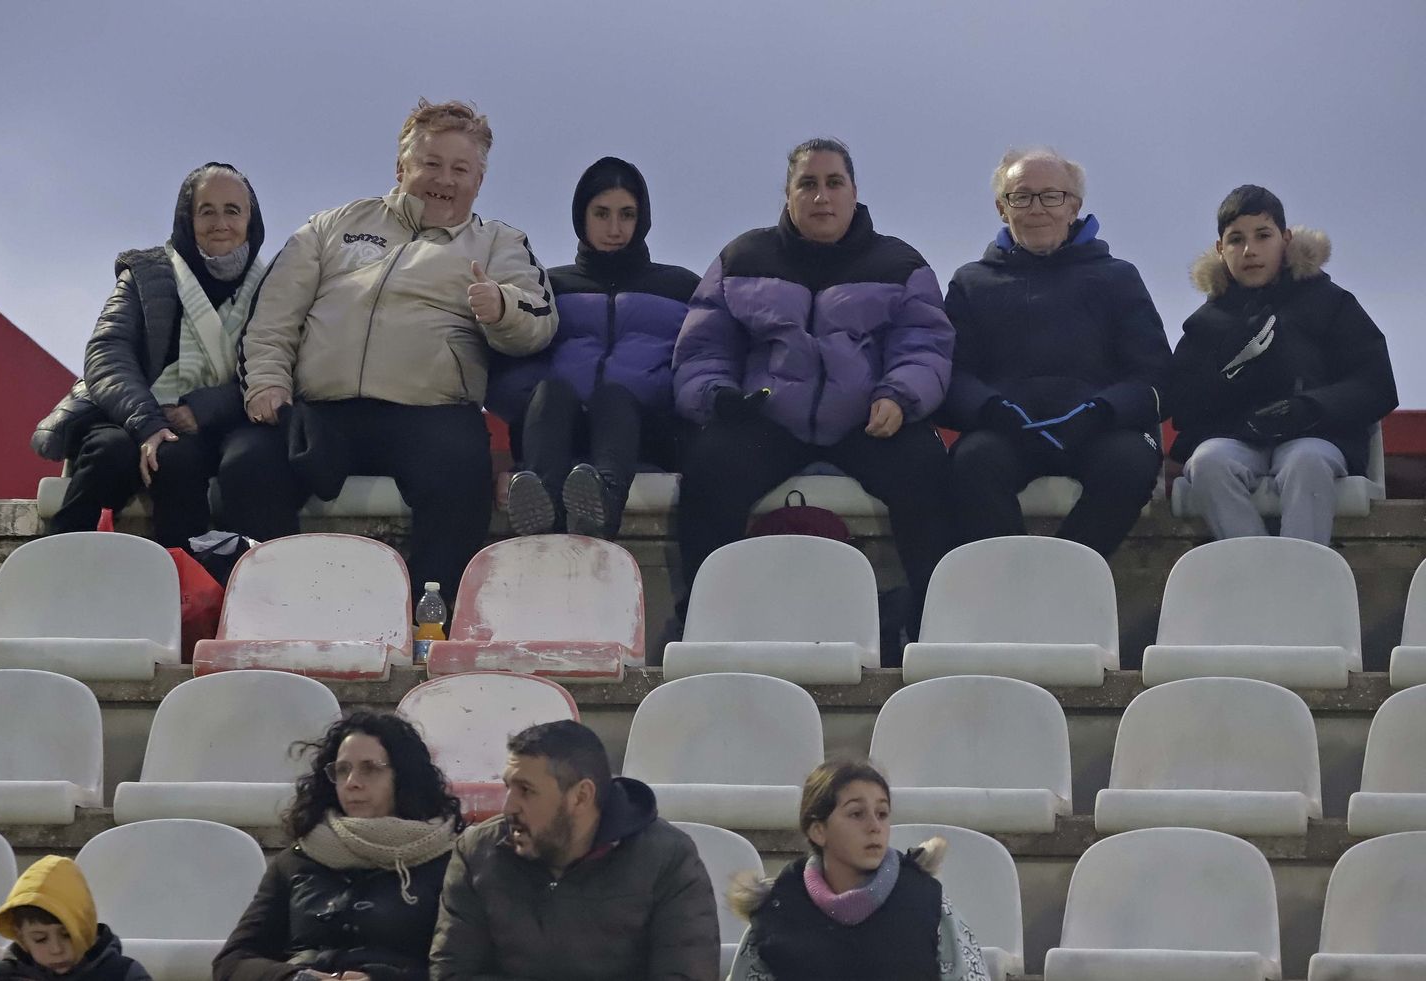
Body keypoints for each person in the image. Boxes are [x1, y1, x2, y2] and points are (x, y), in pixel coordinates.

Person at [224, 99, 557, 604]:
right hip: (322, 410)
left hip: (432, 413)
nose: (444, 180)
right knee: (246, 464)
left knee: (462, 475)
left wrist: (502, 306)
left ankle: (428, 625)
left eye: (460, 169)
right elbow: (272, 316)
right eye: (432, 164)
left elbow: (540, 319)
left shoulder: (498, 242)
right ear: (402, 167)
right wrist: (267, 383)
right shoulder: (331, 226)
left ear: (479, 181)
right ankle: (279, 609)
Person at [671, 138, 954, 647]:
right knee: (709, 468)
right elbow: (704, 345)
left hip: (868, 420)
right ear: (788, 195)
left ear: (853, 192)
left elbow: (925, 344)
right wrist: (717, 395)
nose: (821, 196)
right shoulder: (742, 258)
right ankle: (705, 623)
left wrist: (899, 395)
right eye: (808, 184)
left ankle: (932, 627)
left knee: (927, 469)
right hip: (768, 418)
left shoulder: (900, 263)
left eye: (833, 183)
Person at [941, 147, 1172, 558]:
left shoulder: (1118, 278)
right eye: (1021, 196)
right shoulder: (971, 283)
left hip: (1098, 432)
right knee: (971, 462)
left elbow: (1154, 374)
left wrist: (1101, 411)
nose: (1037, 208)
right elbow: (954, 375)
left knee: (1131, 464)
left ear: (1074, 207)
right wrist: (993, 410)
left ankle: (1064, 575)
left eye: (1051, 196)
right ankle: (1014, 578)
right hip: (1006, 432)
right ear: (1002, 209)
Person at [41, 162, 270, 547]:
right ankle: (53, 560)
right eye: (206, 211)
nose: (220, 223)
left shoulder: (273, 286)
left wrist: (202, 410)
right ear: (187, 219)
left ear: (251, 221)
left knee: (178, 461)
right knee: (108, 452)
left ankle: (183, 574)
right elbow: (107, 352)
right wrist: (147, 423)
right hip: (131, 415)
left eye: (232, 210)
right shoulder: (145, 272)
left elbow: (280, 366)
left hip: (217, 425)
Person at [1169, 185, 1396, 545]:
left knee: (1306, 461)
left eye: (1263, 235)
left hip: (1316, 436)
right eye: (1236, 239)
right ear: (1220, 249)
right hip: (1236, 439)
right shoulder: (1206, 323)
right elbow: (1181, 404)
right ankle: (1257, 571)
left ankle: (1301, 572)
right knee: (1207, 463)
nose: (1250, 250)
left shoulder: (1331, 303)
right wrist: (1231, 376)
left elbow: (1375, 383)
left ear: (1285, 239)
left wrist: (1309, 407)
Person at [488, 156, 700, 538]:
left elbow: (698, 358)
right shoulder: (550, 287)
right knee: (550, 392)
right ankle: (540, 510)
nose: (614, 229)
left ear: (642, 218)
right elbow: (515, 362)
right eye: (601, 214)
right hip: (558, 429)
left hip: (643, 429)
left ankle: (600, 507)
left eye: (626, 214)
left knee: (614, 398)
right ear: (581, 216)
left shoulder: (680, 287)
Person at [430, 720, 720, 980]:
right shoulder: (477, 852)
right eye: (508, 788)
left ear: (581, 796)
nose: (508, 807)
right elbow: (452, 972)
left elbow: (686, 972)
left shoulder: (668, 858)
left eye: (526, 791)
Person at [215, 710, 465, 981]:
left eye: (370, 768)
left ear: (404, 777)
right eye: (342, 770)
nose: (352, 783)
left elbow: (466, 970)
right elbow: (233, 961)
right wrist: (294, 977)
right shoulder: (297, 860)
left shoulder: (450, 865)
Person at [727, 761, 988, 981]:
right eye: (856, 814)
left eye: (882, 813)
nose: (875, 826)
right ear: (818, 831)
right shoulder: (777, 911)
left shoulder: (926, 903)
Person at [0, 855, 151, 980]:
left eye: (67, 935)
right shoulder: (1, 976)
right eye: (40, 939)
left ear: (86, 929)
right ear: (21, 937)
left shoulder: (124, 974)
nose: (56, 949)